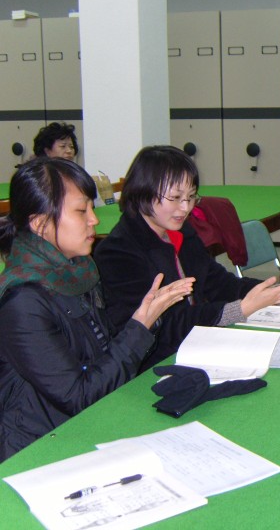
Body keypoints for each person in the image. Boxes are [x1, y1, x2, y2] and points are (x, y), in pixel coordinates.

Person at [0, 158, 195, 461]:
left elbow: (103, 355)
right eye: (81, 211)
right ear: (40, 224)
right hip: (37, 448)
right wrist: (140, 327)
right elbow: (78, 396)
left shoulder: (79, 271)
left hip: (85, 428)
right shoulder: (23, 302)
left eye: (92, 208)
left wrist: (147, 319)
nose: (94, 220)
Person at [93, 146, 280, 371]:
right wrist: (240, 309)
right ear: (143, 193)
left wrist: (274, 291)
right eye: (175, 198)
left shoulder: (180, 231)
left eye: (191, 197)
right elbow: (166, 325)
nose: (185, 208)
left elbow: (217, 282)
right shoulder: (118, 253)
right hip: (154, 363)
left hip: (194, 343)